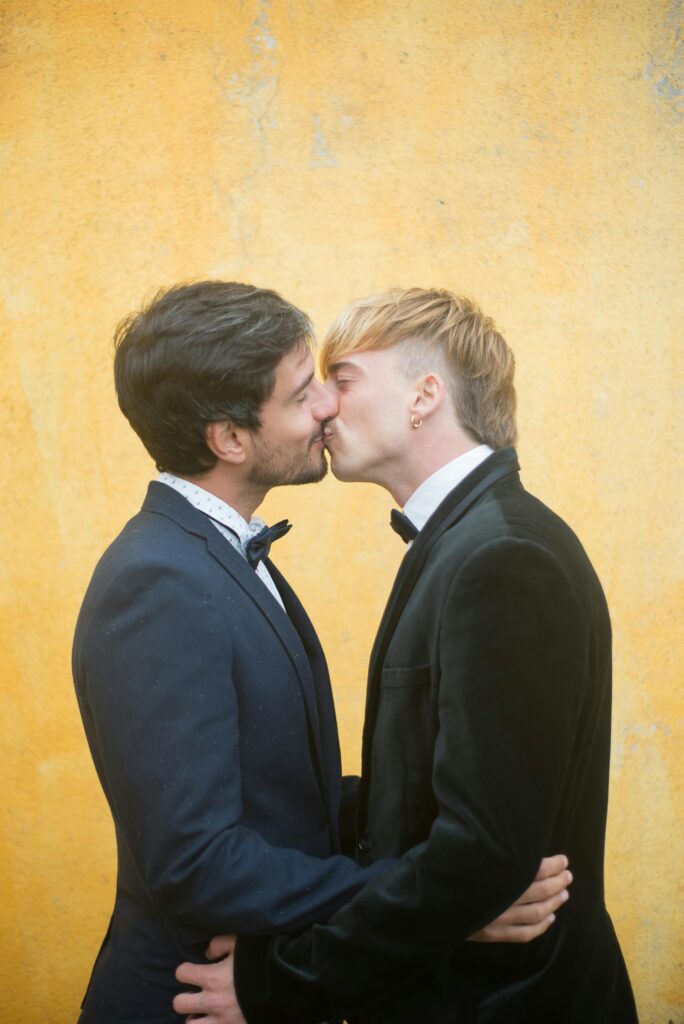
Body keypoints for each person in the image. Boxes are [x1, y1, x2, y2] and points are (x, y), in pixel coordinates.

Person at [72, 281, 568, 1023]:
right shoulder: (158, 582)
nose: (327, 406)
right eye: (304, 392)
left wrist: (456, 869)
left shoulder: (219, 557)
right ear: (229, 439)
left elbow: (280, 792)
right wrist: (443, 903)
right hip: (189, 997)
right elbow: (196, 863)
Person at [178, 288, 637, 1023]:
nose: (324, 405)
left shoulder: (503, 558)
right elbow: (430, 806)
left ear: (425, 396)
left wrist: (279, 984)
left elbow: (481, 854)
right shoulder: (469, 542)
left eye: (344, 377)